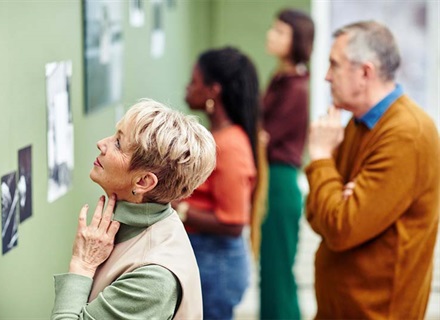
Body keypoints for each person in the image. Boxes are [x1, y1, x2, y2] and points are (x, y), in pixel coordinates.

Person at [306, 21, 439, 319]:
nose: (326, 77)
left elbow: (340, 229)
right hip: (339, 308)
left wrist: (320, 157)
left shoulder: (408, 133)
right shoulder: (357, 124)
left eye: (333, 65)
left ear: (365, 72)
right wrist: (338, 198)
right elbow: (317, 216)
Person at [51, 99, 216, 319]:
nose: (101, 143)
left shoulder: (154, 280)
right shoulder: (150, 223)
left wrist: (82, 264)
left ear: (143, 182)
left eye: (118, 143)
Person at [176, 47, 259, 320]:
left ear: (214, 90)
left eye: (194, 82)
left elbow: (234, 223)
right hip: (205, 256)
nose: (187, 88)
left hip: (216, 263)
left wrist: (181, 208)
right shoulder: (217, 137)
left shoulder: (230, 145)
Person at [259, 8, 314, 320]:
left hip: (281, 182)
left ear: (297, 41)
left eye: (280, 32)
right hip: (273, 180)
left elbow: (266, 137)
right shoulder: (281, 80)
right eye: (273, 29)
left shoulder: (296, 87)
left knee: (279, 276)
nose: (271, 35)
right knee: (271, 274)